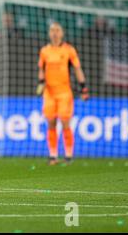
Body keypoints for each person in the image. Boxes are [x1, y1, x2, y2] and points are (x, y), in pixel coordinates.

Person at [37, 22, 89, 165]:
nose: (55, 33)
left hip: (64, 92)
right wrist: (41, 83)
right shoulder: (44, 51)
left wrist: (83, 87)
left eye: (57, 30)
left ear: (62, 33)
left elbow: (77, 69)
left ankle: (68, 155)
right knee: (51, 123)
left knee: (65, 122)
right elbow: (41, 68)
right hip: (49, 93)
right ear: (49, 33)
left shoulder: (69, 50)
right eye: (52, 30)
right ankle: (53, 156)